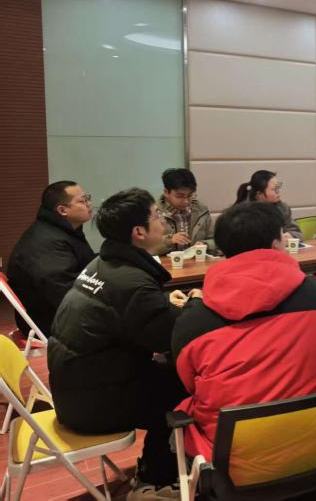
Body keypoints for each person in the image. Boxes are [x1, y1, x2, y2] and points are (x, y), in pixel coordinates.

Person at [48, 188, 192, 500]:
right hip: (95, 405)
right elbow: (171, 338)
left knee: (170, 373)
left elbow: (133, 316)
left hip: (75, 390)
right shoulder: (132, 283)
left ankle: (161, 467)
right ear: (139, 232)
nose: (162, 222)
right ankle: (156, 478)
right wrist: (193, 307)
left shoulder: (103, 265)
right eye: (156, 216)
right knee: (189, 387)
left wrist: (165, 304)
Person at [172, 202, 316, 460]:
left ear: (223, 249)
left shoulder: (193, 322)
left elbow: (188, 384)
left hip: (236, 460)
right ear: (275, 245)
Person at [7, 181, 95, 338]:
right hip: (52, 321)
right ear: (62, 210)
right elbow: (64, 293)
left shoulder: (63, 231)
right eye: (82, 201)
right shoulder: (46, 243)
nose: (89, 204)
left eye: (87, 198)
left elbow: (85, 265)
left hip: (63, 311)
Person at [158, 168, 215, 255]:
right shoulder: (154, 213)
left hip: (196, 261)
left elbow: (215, 240)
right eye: (179, 196)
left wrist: (205, 244)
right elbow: (146, 247)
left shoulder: (201, 210)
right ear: (166, 192)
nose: (186, 201)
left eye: (189, 195)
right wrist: (169, 240)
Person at [234, 169, 303, 241]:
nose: (278, 191)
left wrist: (291, 236)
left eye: (278, 187)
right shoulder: (242, 213)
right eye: (274, 189)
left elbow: (296, 232)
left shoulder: (282, 207)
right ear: (259, 195)